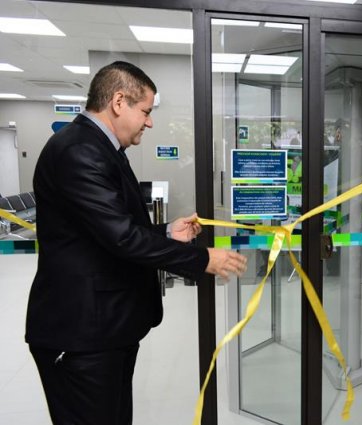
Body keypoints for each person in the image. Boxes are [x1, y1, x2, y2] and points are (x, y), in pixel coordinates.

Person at [25, 61, 247, 425]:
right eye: (145, 111)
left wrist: (165, 233)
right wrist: (201, 259)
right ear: (118, 101)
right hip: (82, 336)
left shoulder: (100, 147)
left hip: (105, 330)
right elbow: (123, 238)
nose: (149, 121)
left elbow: (107, 230)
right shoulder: (80, 151)